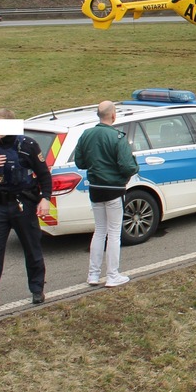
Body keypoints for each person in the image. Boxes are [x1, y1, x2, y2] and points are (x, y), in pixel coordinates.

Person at [0, 109, 52, 309]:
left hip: (22, 204)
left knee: (32, 248)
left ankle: (37, 289)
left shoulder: (27, 145)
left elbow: (43, 175)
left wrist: (45, 199)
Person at [74, 101, 139, 287]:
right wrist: (135, 167)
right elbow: (127, 167)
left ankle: (93, 274)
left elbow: (80, 162)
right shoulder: (117, 137)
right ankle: (112, 275)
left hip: (95, 188)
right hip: (114, 189)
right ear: (113, 115)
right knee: (114, 232)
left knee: (100, 230)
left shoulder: (86, 134)